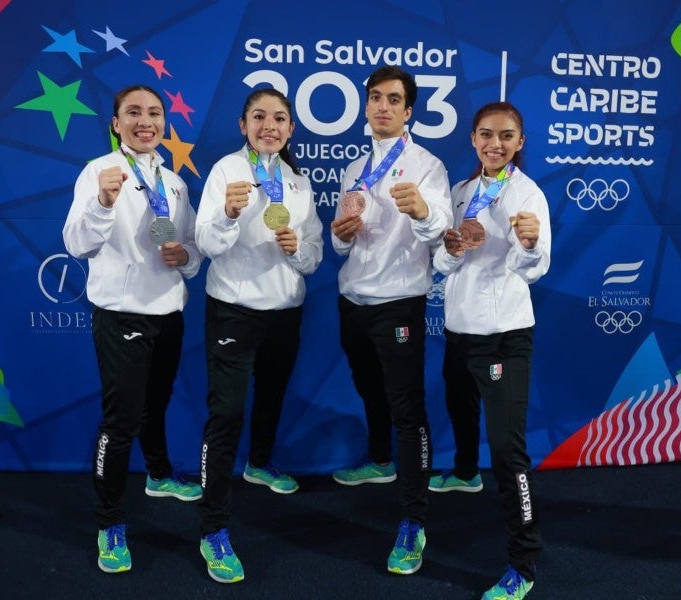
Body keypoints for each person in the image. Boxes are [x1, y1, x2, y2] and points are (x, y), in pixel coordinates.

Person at [62, 84, 203, 574]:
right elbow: (76, 243)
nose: (146, 121)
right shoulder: (99, 173)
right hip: (122, 313)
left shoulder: (176, 183)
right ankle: (109, 522)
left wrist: (184, 256)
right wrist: (103, 202)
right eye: (134, 113)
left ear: (164, 124)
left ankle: (160, 474)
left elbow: (191, 249)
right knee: (121, 422)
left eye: (155, 113)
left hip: (169, 312)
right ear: (116, 123)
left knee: (156, 405)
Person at [193, 87, 323, 584]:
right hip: (234, 311)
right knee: (226, 413)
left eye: (280, 119)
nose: (270, 126)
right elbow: (205, 243)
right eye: (259, 117)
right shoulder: (227, 171)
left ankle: (260, 464)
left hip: (284, 310)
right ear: (244, 124)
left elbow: (313, 257)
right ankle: (212, 529)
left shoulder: (297, 182)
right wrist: (227, 214)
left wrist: (296, 250)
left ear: (291, 130)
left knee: (271, 395)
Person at [330, 65, 452, 575]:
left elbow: (443, 236)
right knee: (368, 387)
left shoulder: (428, 166)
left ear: (408, 111)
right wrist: (341, 231)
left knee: (407, 410)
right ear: (366, 106)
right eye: (375, 98)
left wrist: (423, 210)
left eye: (393, 100)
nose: (382, 106)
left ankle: (413, 522)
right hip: (353, 299)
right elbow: (339, 244)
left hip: (400, 301)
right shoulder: (354, 167)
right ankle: (379, 460)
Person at [431, 101, 550, 599]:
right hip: (459, 330)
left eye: (505, 136)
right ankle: (463, 473)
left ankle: (523, 564)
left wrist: (527, 243)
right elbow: (442, 262)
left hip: (503, 335)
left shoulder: (528, 195)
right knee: (459, 404)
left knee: (506, 450)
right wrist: (453, 248)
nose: (494, 144)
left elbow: (535, 268)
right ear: (474, 139)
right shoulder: (461, 192)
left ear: (519, 143)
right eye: (485, 135)